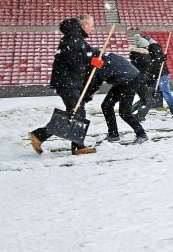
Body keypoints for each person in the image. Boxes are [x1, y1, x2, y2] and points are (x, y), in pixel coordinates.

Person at [29, 14, 99, 155]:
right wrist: (90, 60)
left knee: (78, 112)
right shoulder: (74, 37)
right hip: (68, 82)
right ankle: (40, 135)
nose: (92, 29)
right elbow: (73, 57)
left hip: (69, 81)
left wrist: (93, 56)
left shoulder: (75, 37)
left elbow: (82, 53)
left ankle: (78, 146)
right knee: (75, 112)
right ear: (85, 25)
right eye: (91, 26)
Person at [93, 52, 149, 144]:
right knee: (106, 105)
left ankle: (141, 134)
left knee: (124, 112)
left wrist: (86, 96)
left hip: (130, 81)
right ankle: (113, 134)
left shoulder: (100, 63)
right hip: (121, 81)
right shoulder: (104, 57)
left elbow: (97, 81)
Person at [147, 38, 173, 119]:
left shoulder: (153, 48)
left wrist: (157, 61)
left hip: (161, 74)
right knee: (165, 93)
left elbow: (155, 62)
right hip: (160, 74)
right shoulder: (157, 48)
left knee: (165, 93)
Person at [128, 34, 155, 121]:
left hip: (136, 80)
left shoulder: (135, 55)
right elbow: (149, 66)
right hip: (140, 81)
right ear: (143, 47)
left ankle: (130, 111)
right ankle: (139, 116)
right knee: (148, 100)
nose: (148, 47)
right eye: (147, 46)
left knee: (144, 99)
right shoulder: (143, 56)